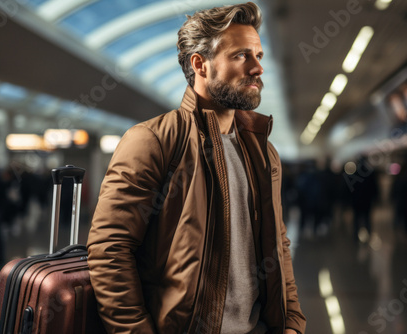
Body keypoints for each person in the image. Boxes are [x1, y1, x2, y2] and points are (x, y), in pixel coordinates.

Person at [87, 3, 306, 334]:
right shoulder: (153, 141)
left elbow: (279, 243)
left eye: (259, 56)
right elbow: (110, 250)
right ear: (200, 64)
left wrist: (291, 323)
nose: (258, 68)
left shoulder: (263, 152)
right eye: (241, 56)